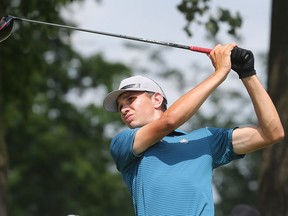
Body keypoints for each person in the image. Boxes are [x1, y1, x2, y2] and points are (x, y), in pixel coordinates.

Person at [103, 43, 284, 215]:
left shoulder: (206, 139)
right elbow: (169, 121)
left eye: (130, 99)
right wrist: (220, 72)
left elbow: (272, 132)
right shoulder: (123, 143)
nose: (124, 108)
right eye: (120, 107)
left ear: (157, 100)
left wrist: (247, 74)